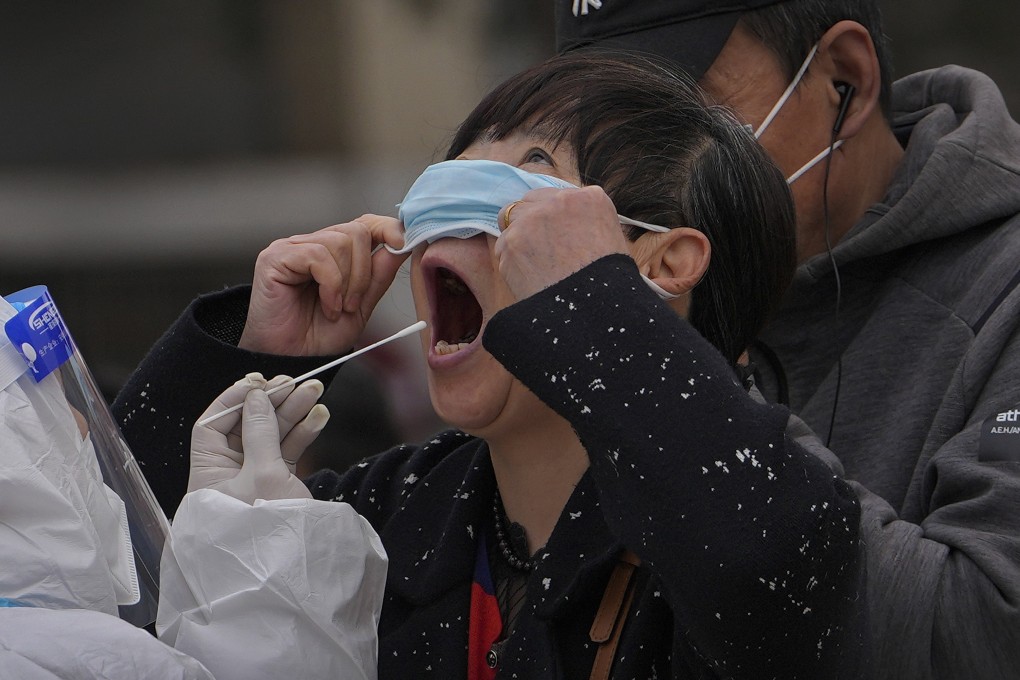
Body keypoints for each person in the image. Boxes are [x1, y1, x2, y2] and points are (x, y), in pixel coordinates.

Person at [116, 53, 867, 678]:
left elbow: (773, 563)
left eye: (532, 164)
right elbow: (107, 570)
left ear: (661, 263)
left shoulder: (745, 507)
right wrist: (261, 355)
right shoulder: (391, 512)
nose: (453, 195)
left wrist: (588, 304)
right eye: (457, 166)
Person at [556, 1, 1020, 678]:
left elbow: (985, 630)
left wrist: (675, 388)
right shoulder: (621, 304)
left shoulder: (1001, 293)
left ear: (845, 79)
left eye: (680, 118)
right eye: (592, 135)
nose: (618, 183)